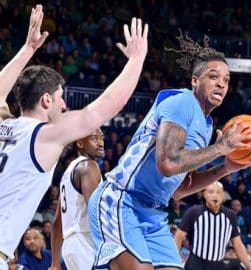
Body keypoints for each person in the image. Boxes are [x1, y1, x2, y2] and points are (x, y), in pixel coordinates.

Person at [88, 31, 251, 270]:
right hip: (122, 199)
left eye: (227, 79)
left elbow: (178, 190)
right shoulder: (182, 102)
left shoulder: (207, 126)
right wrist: (220, 148)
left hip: (154, 212)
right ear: (195, 81)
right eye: (213, 76)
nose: (221, 83)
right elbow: (167, 163)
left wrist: (225, 167)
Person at [0, 6, 148, 269]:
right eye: (60, 98)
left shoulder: (5, 124)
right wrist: (137, 60)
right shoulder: (43, 137)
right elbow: (103, 108)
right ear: (46, 100)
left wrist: (27, 50)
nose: (64, 105)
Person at [50, 128, 104, 270]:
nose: (100, 143)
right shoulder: (88, 166)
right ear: (80, 143)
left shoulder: (69, 171)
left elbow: (57, 222)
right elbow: (96, 209)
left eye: (101, 137)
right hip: (85, 241)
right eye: (94, 138)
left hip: (71, 247)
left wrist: (55, 263)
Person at [174, 182, 251, 270]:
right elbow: (178, 237)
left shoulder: (230, 215)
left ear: (223, 195)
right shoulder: (193, 212)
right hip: (196, 264)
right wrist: (176, 261)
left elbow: (237, 243)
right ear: (205, 194)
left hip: (218, 265)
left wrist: (249, 267)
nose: (215, 195)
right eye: (211, 192)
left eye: (218, 192)